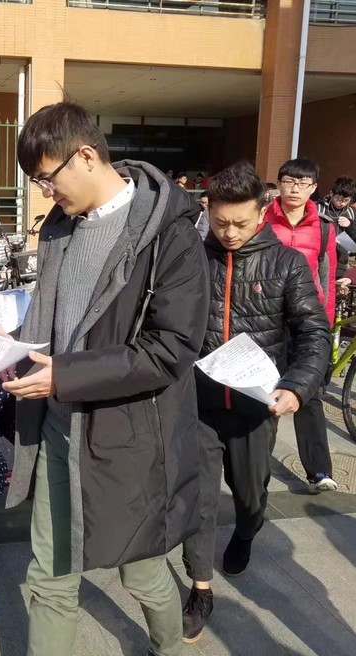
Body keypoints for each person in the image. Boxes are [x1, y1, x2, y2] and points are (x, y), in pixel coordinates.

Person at [1, 101, 210, 656]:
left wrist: (65, 375)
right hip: (58, 429)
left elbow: (170, 349)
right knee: (50, 578)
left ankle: (169, 646)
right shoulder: (59, 228)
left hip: (126, 439)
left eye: (47, 178)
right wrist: (6, 332)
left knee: (141, 574)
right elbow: (54, 315)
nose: (46, 192)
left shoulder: (169, 236)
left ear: (87, 156)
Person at [181, 162, 331, 643]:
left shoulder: (287, 264)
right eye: (220, 222)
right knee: (199, 499)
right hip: (198, 403)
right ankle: (200, 587)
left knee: (250, 495)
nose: (229, 233)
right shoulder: (190, 258)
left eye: (240, 223)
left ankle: (246, 531)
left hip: (255, 407)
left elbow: (314, 333)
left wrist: (298, 386)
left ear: (262, 213)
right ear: (208, 210)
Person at [265, 158, 338, 492]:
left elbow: (327, 277)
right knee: (266, 389)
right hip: (267, 315)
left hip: (307, 317)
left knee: (310, 391)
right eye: (289, 181)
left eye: (303, 183)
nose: (295, 189)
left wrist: (326, 323)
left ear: (313, 188)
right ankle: (256, 463)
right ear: (279, 183)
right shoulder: (263, 218)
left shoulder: (323, 228)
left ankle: (319, 470)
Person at [317, 175, 356, 243]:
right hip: (323, 247)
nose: (342, 203)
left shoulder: (352, 213)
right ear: (331, 193)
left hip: (343, 249)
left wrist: (349, 226)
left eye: (346, 200)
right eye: (339, 199)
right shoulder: (319, 208)